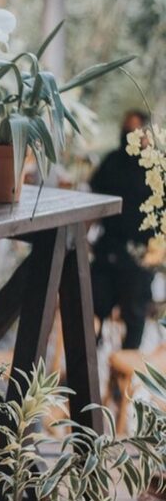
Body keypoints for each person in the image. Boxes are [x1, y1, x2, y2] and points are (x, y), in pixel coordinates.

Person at [90, 110, 154, 350]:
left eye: (133, 132)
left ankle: (121, 379)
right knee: (89, 305)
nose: (128, 137)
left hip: (139, 257)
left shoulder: (157, 168)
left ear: (146, 135)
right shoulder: (111, 161)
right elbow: (93, 198)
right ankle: (82, 369)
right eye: (125, 131)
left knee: (134, 315)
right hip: (108, 249)